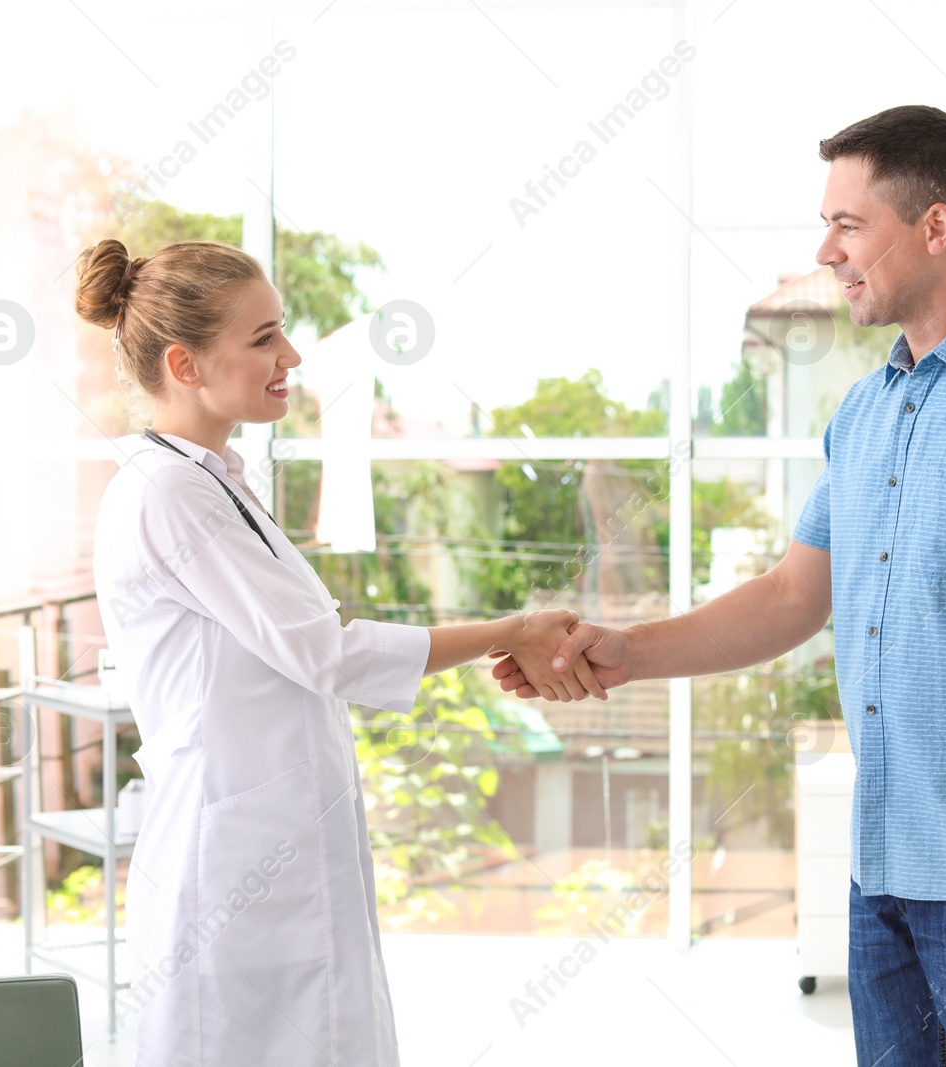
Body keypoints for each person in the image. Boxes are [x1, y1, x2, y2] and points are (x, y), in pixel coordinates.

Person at [495, 104, 946, 1067]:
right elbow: (791, 597)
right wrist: (626, 652)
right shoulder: (867, 410)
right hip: (886, 868)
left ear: (935, 225)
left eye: (849, 224)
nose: (827, 248)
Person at [75, 237, 604, 1067]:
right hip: (231, 867)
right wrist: (510, 631)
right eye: (263, 340)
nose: (290, 357)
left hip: (271, 841)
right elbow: (326, 653)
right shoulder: (171, 493)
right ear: (184, 363)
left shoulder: (210, 477)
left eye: (281, 332)